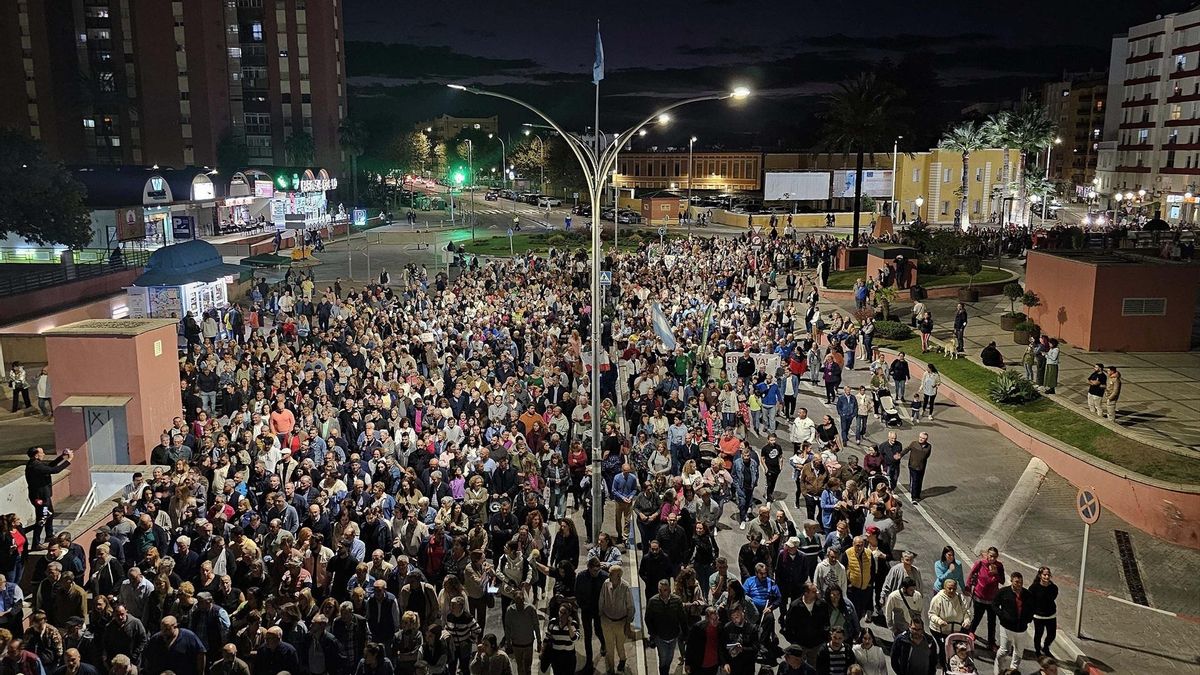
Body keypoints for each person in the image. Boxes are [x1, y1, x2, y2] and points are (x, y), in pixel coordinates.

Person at [25, 447, 73, 550]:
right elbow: (54, 470)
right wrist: (69, 460)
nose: (44, 454)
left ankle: (49, 535)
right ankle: (36, 543)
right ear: (36, 455)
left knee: (49, 514)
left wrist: (62, 457)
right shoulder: (35, 466)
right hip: (40, 498)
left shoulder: (36, 464)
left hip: (44, 496)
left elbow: (49, 466)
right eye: (42, 453)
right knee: (42, 518)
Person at [994, 572, 1033, 675]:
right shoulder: (1003, 592)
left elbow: (1032, 608)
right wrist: (1002, 616)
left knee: (1019, 652)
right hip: (1006, 627)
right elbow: (994, 605)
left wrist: (1028, 619)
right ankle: (998, 669)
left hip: (1021, 629)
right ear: (1011, 581)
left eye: (1021, 582)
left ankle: (1013, 671)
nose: (1019, 584)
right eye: (1016, 582)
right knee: (1004, 650)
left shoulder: (1027, 594)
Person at [644, 579, 686, 675]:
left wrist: (684, 634)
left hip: (673, 635)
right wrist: (653, 634)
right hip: (660, 637)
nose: (662, 592)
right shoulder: (653, 601)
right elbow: (648, 619)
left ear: (669, 590)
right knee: (663, 659)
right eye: (660, 590)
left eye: (665, 590)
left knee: (669, 658)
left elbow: (682, 618)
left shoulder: (677, 601)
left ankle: (665, 671)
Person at [598, 564, 633, 675]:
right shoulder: (606, 583)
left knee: (619, 645)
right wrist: (601, 615)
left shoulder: (625, 587)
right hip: (607, 621)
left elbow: (630, 606)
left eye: (611, 573)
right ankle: (611, 668)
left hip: (620, 622)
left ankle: (622, 659)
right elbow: (601, 599)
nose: (609, 575)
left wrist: (628, 623)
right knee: (609, 646)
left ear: (618, 576)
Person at [684, 606, 723, 675]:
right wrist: (687, 663)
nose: (715, 621)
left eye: (716, 618)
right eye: (712, 619)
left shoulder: (720, 627)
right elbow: (690, 646)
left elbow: (721, 646)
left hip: (714, 665)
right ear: (707, 618)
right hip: (699, 664)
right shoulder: (697, 628)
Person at [1030, 567, 1059, 659]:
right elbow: (1030, 600)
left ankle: (1046, 647)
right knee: (1038, 634)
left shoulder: (1053, 588)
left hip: (1051, 615)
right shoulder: (1034, 587)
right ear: (1040, 575)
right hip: (1038, 616)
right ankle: (1038, 651)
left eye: (1048, 575)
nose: (1047, 577)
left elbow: (1053, 597)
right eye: (1044, 575)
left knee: (1052, 634)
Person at [899, 432, 931, 504]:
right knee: (914, 481)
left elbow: (927, 455)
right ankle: (914, 497)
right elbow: (907, 449)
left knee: (919, 481)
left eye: (923, 438)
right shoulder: (914, 444)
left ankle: (917, 495)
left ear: (926, 439)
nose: (921, 439)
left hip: (921, 467)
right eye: (920, 437)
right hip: (913, 466)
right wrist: (900, 455)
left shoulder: (929, 446)